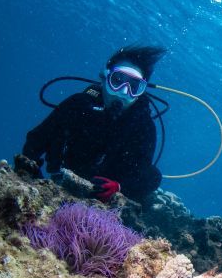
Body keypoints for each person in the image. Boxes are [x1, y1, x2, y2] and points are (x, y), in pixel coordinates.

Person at [22, 45, 166, 202]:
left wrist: (120, 188)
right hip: (61, 180)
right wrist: (31, 177)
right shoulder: (78, 105)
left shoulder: (143, 127)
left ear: (141, 91)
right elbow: (36, 140)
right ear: (104, 78)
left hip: (103, 198)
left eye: (134, 86)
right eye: (117, 81)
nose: (124, 92)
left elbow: (147, 176)